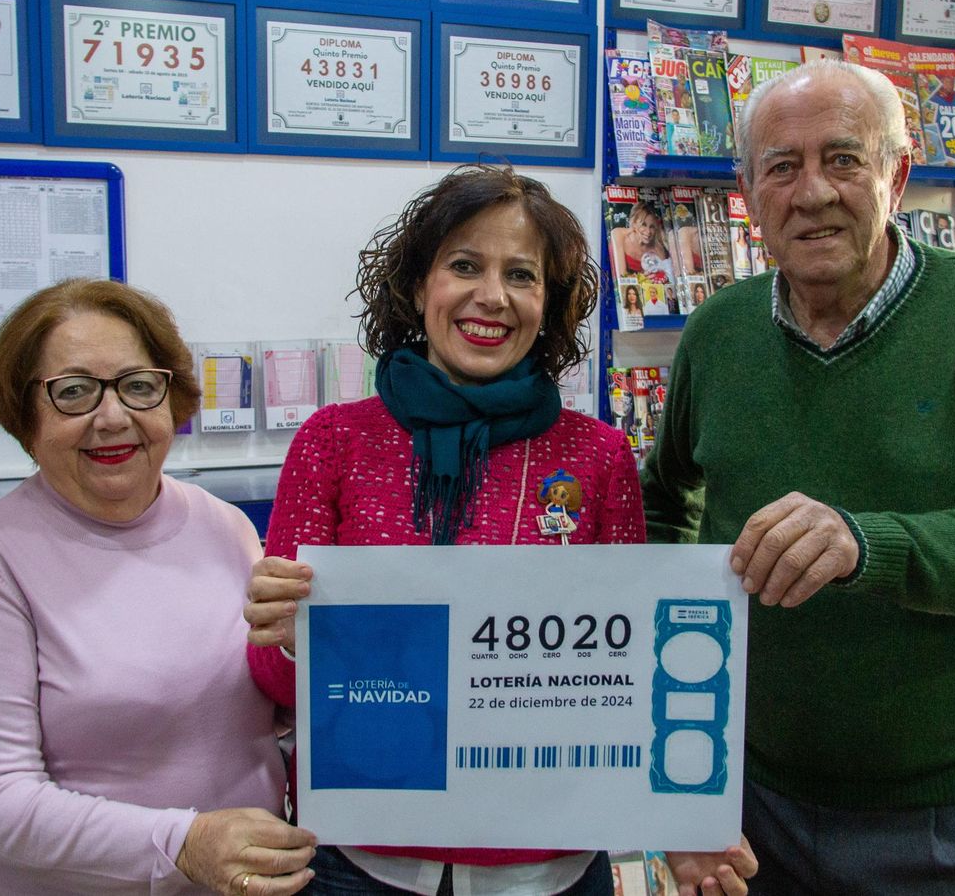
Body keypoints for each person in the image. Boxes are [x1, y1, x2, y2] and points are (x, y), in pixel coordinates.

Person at [641, 61, 955, 895]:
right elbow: (665, 503)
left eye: (844, 159)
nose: (812, 191)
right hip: (750, 802)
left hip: (942, 811)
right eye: (782, 166)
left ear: (899, 173)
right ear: (748, 195)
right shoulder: (717, 331)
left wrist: (867, 544)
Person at [244, 164, 756, 896]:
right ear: (418, 287)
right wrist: (290, 632)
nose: (492, 296)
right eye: (463, 266)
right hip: (363, 862)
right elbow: (272, 680)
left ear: (549, 306)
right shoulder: (334, 442)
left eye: (522, 274)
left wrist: (679, 820)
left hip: (548, 868)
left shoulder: (599, 456)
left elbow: (634, 668)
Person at [0, 280, 317, 896]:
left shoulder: (223, 525)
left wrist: (296, 650)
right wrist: (184, 843)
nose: (113, 417)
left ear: (170, 397)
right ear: (26, 416)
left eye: (138, 385)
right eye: (73, 393)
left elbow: (266, 706)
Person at [609, 199, 673, 283]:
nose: (648, 232)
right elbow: (622, 277)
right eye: (643, 225)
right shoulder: (619, 235)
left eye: (652, 226)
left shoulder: (658, 250)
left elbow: (667, 280)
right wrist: (643, 278)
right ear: (634, 222)